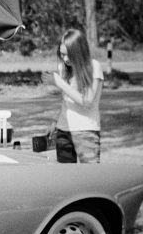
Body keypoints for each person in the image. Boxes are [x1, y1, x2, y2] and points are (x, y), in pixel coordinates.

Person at [40, 29, 103, 164]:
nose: (65, 59)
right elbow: (66, 101)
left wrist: (59, 83)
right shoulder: (63, 69)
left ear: (80, 52)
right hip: (63, 132)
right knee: (66, 179)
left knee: (90, 179)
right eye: (62, 55)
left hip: (86, 132)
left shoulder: (94, 67)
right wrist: (55, 122)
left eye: (69, 55)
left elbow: (87, 101)